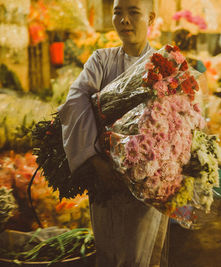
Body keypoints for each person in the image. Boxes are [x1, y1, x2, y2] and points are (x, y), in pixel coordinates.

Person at [58, 0, 169, 266]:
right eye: (117, 12)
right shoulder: (101, 60)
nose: (124, 20)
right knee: (108, 249)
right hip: (103, 176)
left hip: (148, 182)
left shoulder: (165, 66)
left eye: (133, 12)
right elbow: (75, 102)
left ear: (151, 18)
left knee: (141, 252)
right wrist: (95, 160)